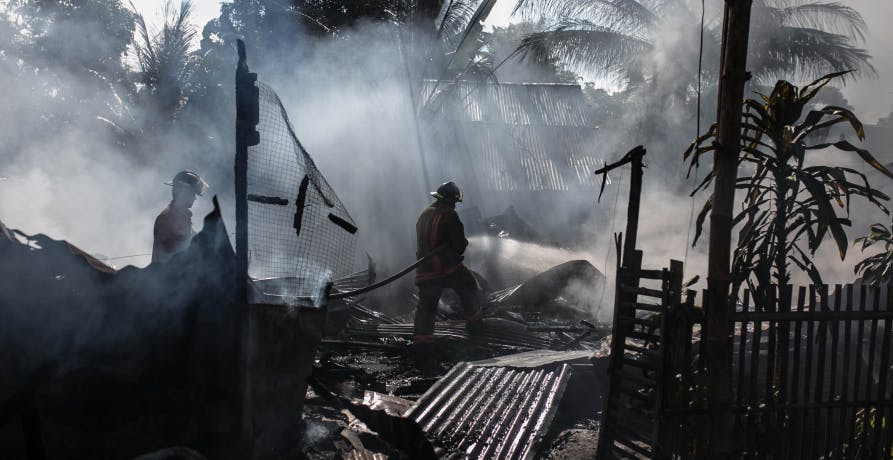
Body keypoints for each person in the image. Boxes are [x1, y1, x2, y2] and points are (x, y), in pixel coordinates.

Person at [413, 181, 484, 360]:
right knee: (469, 285)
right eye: (454, 202)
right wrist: (463, 243)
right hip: (447, 268)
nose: (455, 205)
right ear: (451, 200)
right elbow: (459, 246)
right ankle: (475, 326)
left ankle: (422, 345)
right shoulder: (449, 215)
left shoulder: (424, 213)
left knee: (426, 306)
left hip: (424, 268)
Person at [151, 171, 207, 264]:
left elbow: (190, 238)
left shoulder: (182, 216)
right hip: (169, 272)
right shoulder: (167, 218)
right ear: (183, 192)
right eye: (193, 194)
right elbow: (177, 251)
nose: (195, 198)